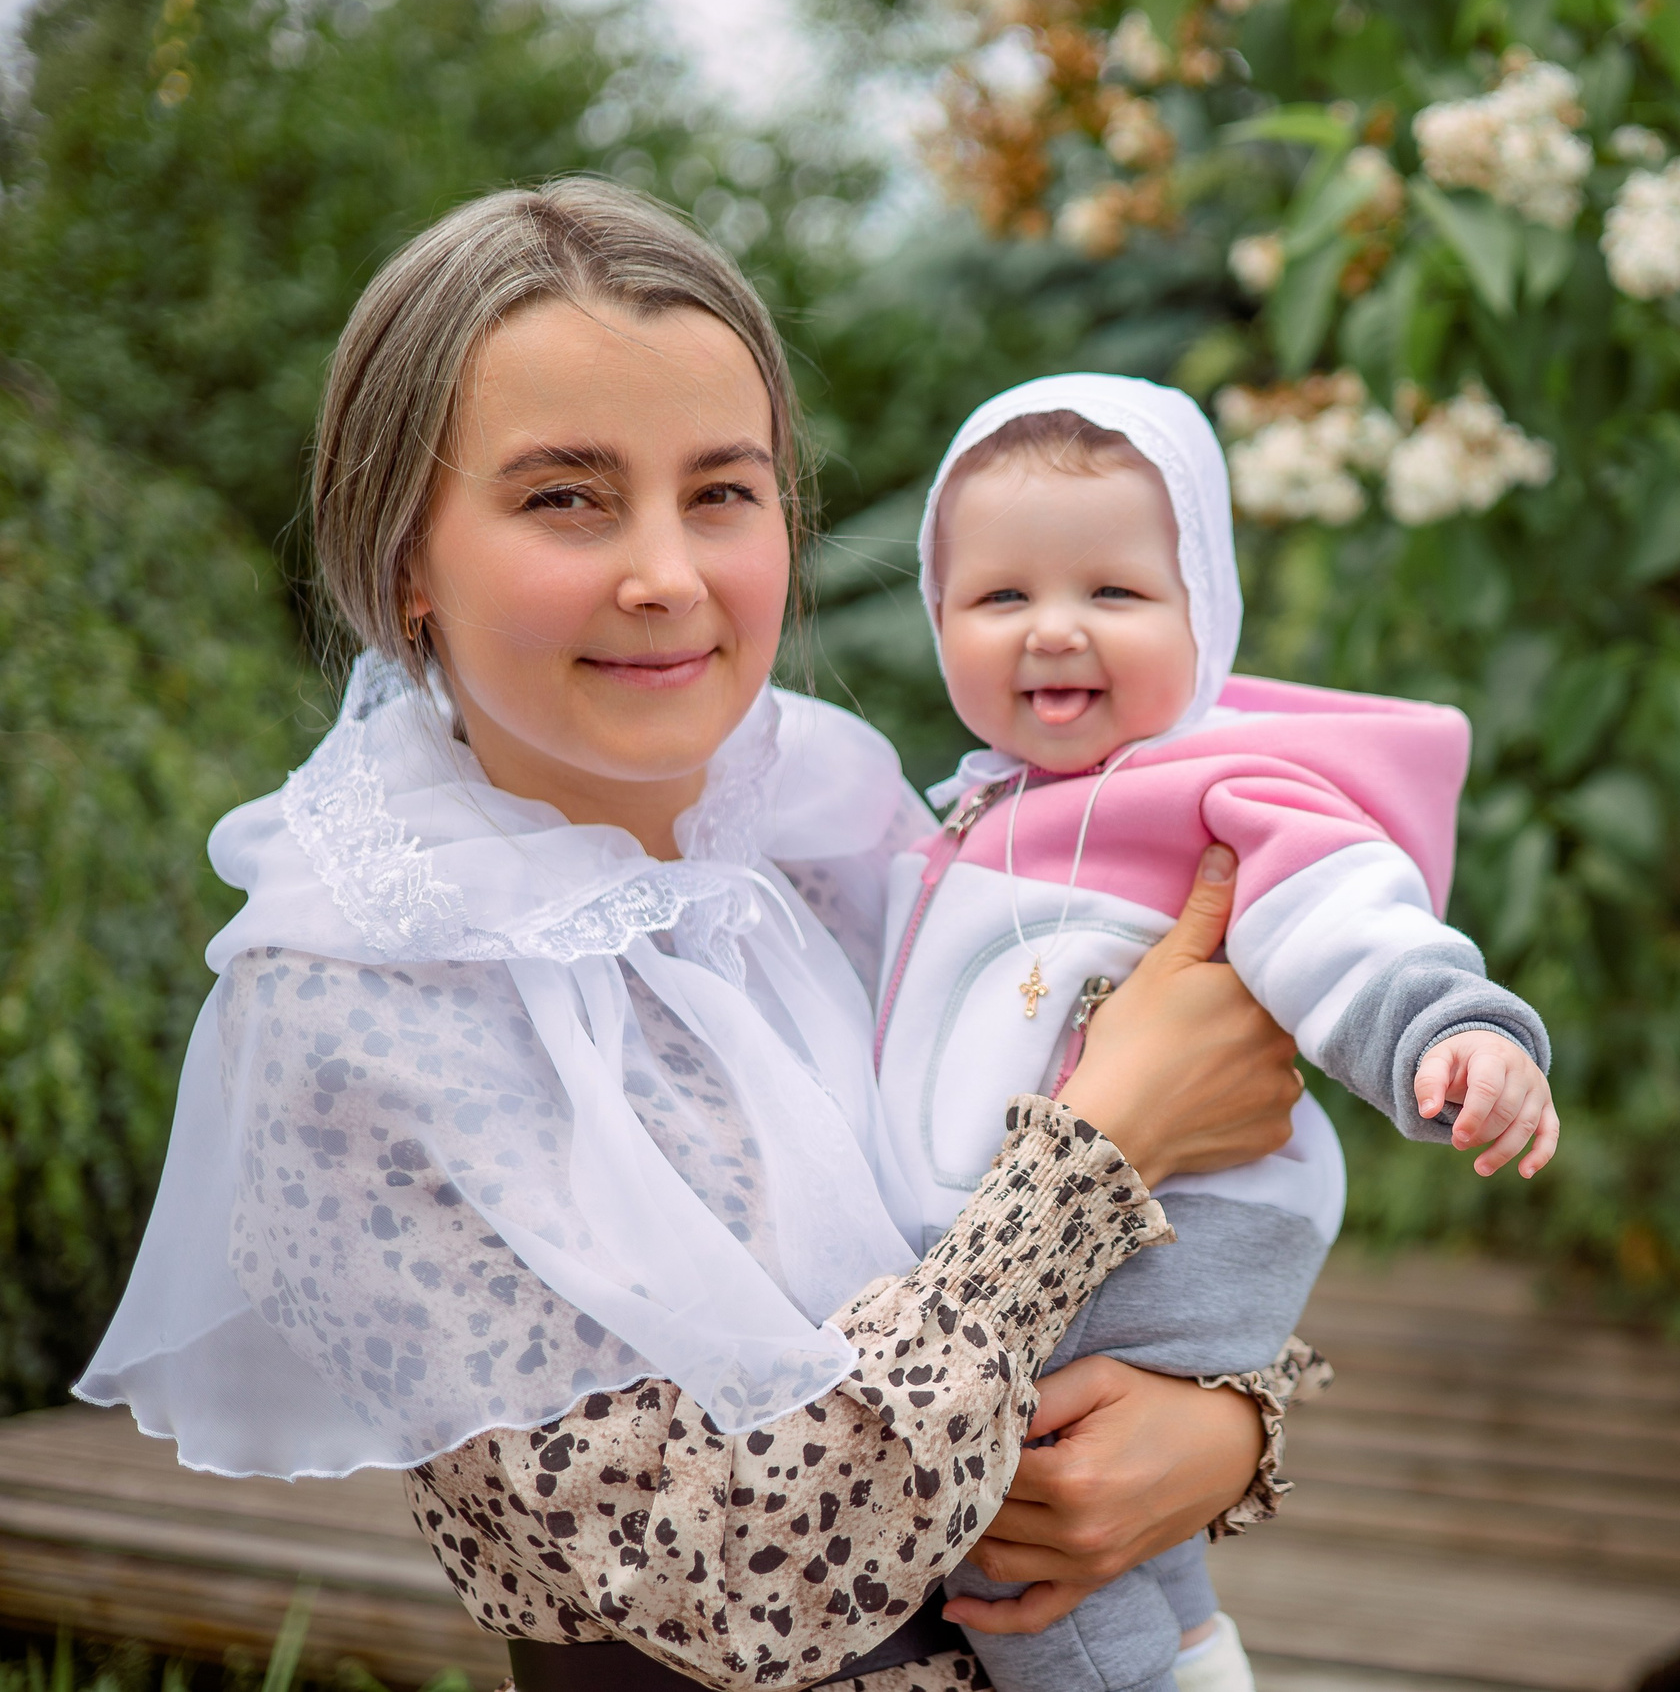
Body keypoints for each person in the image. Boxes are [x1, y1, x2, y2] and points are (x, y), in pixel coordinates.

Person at [74, 179, 1323, 1692]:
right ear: (406, 554)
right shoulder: (359, 994)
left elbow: (1143, 1286)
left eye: (721, 491)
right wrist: (1102, 1143)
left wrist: (1226, 1427)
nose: (666, 574)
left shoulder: (835, 833)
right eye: (564, 497)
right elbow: (750, 1581)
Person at [875, 376, 1561, 1692]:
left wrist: (1452, 1028)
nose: (1054, 631)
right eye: (1001, 597)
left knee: (1024, 1539)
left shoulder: (1225, 795)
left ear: (1208, 617)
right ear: (940, 616)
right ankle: (1195, 1657)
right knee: (1128, 1553)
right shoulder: (960, 819)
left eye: (1115, 595)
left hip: (1173, 1231)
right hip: (1057, 1236)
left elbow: (1347, 920)